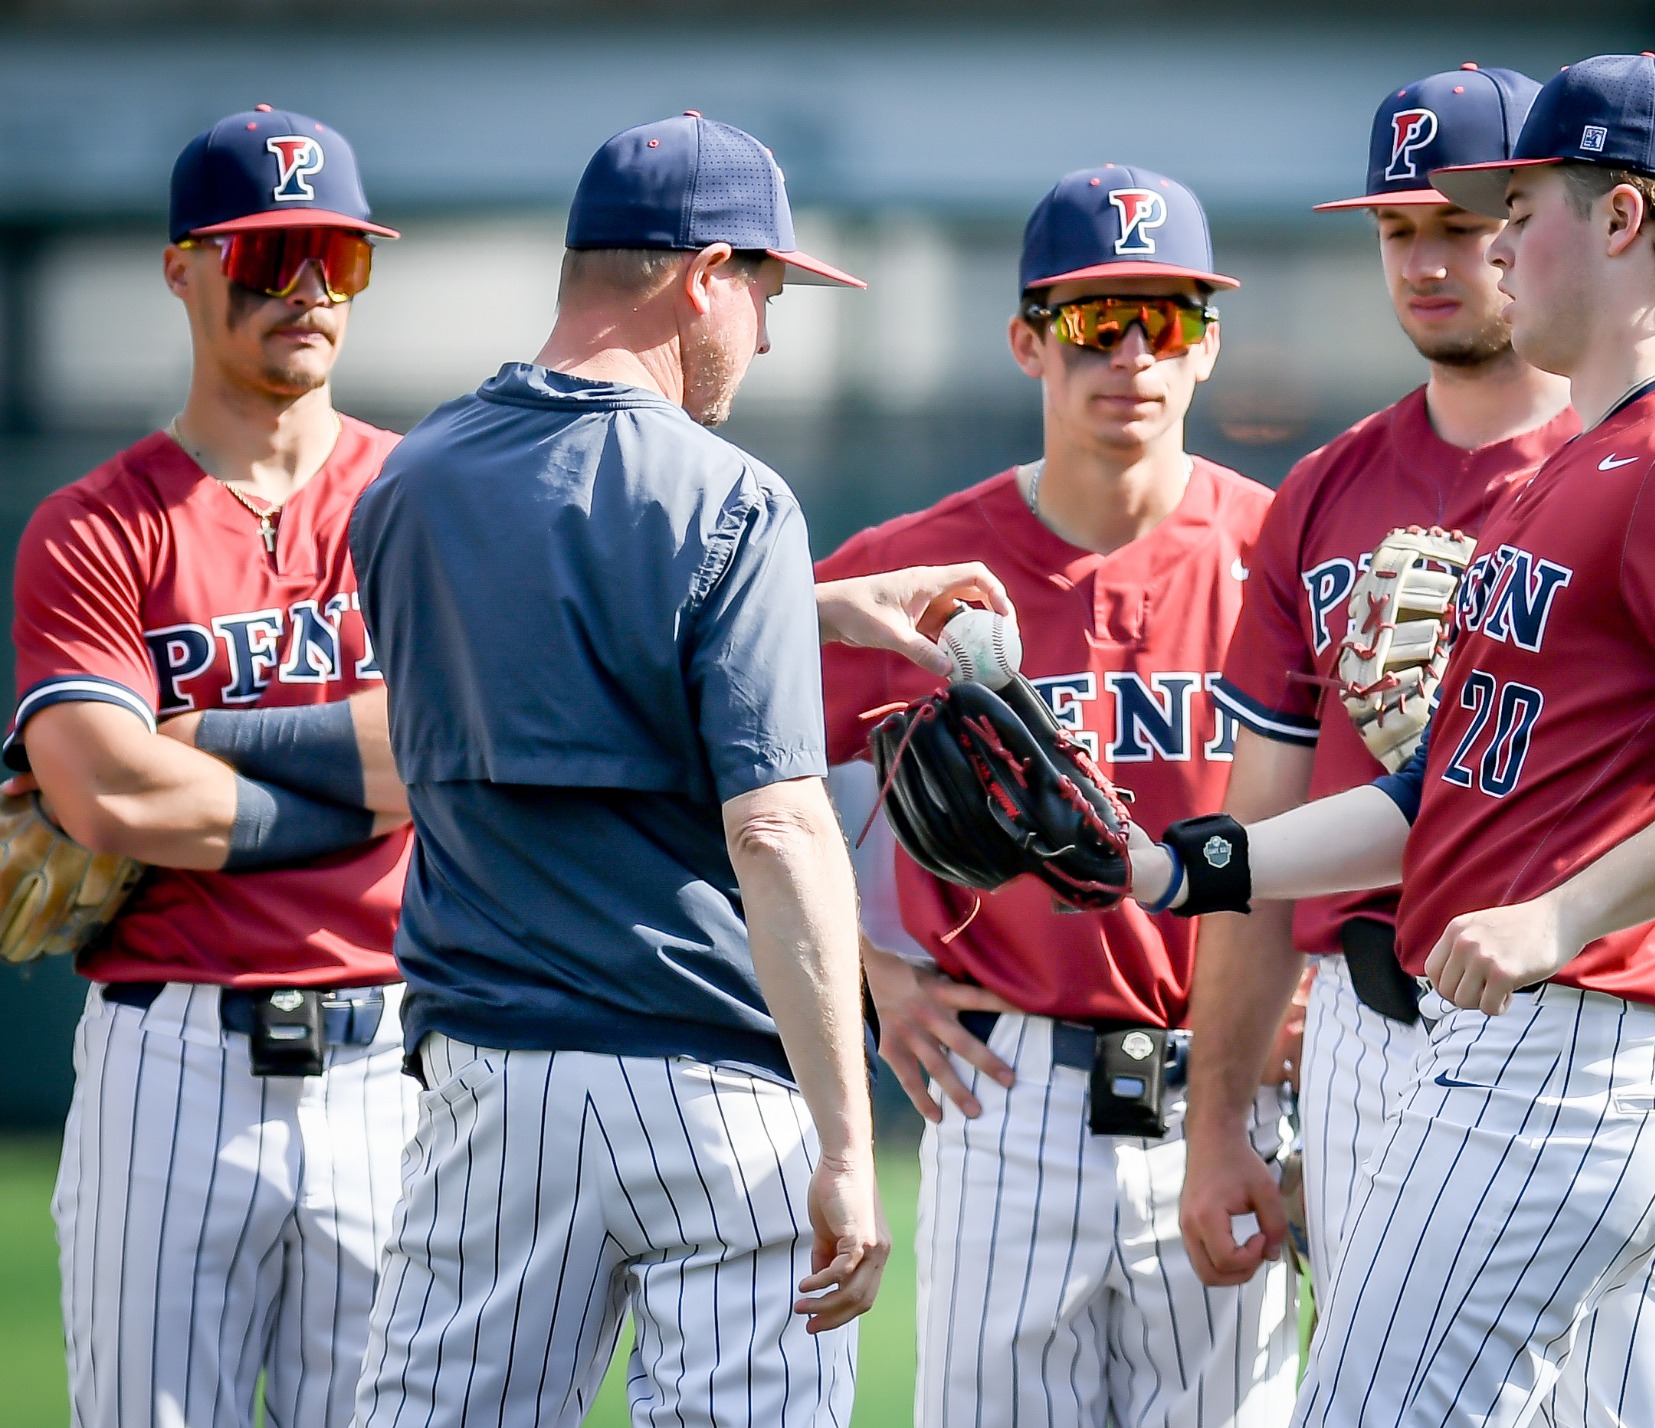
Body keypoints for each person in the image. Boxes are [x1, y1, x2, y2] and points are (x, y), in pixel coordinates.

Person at [1131, 53, 1655, 1425]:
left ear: (1621, 219)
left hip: (1576, 1063)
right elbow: (1437, 798)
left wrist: (1558, 914)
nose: (1496, 245)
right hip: (1618, 1065)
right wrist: (1187, 867)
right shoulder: (1585, 466)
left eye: (1515, 207)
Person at [346, 113, 909, 1428]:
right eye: (765, 289)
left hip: (488, 1074)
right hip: (708, 1086)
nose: (766, 331)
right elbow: (776, 831)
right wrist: (847, 1138)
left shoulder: (404, 483)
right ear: (704, 273)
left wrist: (805, 607)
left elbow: (552, 633)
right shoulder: (734, 498)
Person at [816, 165, 1297, 1428]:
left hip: (1226, 1091)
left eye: (1169, 318)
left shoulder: (1282, 556)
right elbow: (770, 765)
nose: (1132, 354)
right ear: (1029, 341)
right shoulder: (907, 573)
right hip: (1006, 1088)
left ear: (1205, 348)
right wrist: (879, 964)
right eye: (1094, 321)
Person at [4, 108, 417, 1428]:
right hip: (168, 1061)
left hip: (391, 1058)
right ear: (182, 268)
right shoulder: (97, 524)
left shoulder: (427, 501)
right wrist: (363, 779)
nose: (304, 289)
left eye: (336, 260)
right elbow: (106, 793)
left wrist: (199, 744)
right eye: (266, 254)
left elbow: (470, 749)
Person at [1181, 65, 1576, 1290]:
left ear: (1533, 222)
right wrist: (1218, 1124)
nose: (1424, 261)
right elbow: (1258, 832)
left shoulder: (1642, 462)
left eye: (1458, 225)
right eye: (1398, 231)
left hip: (1581, 1019)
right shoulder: (1321, 492)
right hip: (1365, 1025)